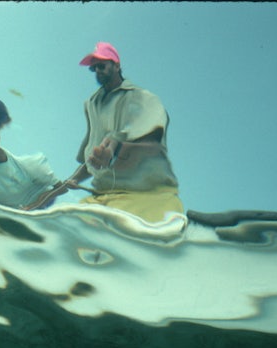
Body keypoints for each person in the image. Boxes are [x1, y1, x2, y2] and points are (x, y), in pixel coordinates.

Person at [59, 42, 184, 222]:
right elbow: (93, 157)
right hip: (105, 196)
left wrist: (116, 146)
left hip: (149, 196)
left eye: (101, 65)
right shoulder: (93, 104)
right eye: (93, 68)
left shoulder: (143, 98)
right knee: (72, 228)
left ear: (117, 65)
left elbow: (152, 138)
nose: (97, 71)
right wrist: (74, 180)